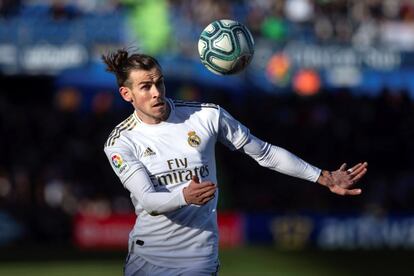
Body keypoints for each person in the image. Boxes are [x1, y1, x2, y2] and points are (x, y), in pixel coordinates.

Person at [102, 49, 368, 276]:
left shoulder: (206, 116)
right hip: (148, 259)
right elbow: (148, 200)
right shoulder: (121, 142)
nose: (156, 92)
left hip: (199, 258)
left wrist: (322, 176)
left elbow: (265, 153)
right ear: (127, 94)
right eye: (145, 87)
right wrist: (184, 195)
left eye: (159, 83)